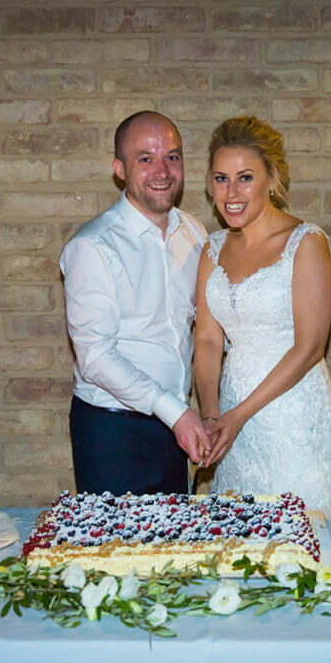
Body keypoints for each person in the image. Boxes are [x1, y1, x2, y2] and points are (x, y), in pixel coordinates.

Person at [193, 116, 331, 508]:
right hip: (230, 412)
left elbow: (309, 348)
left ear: (273, 178)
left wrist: (239, 415)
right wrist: (212, 414)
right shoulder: (212, 249)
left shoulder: (306, 242)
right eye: (221, 178)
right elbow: (208, 339)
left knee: (303, 534)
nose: (231, 192)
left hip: (292, 411)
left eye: (245, 177)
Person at [60, 111, 210, 495]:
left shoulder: (194, 232)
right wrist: (176, 413)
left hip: (178, 423)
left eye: (172, 157)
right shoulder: (92, 246)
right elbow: (94, 357)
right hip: (114, 431)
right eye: (146, 158)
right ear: (120, 169)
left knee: (178, 550)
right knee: (117, 551)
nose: (162, 170)